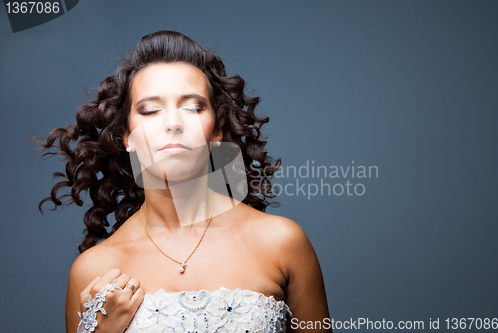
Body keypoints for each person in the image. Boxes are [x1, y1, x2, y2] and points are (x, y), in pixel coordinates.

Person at [40, 30, 330, 332]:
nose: (174, 123)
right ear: (127, 136)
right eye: (150, 110)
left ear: (217, 131)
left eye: (193, 107)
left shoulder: (281, 243)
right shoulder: (94, 272)